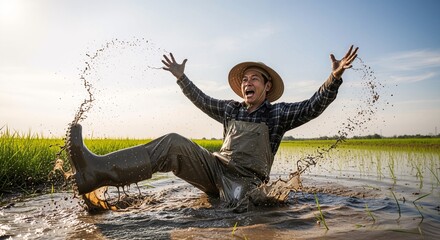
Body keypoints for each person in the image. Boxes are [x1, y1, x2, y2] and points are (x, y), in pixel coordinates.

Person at [66, 45, 358, 208]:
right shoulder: (230, 109)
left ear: (267, 87)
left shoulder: (277, 115)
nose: (247, 82)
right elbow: (202, 100)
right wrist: (182, 78)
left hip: (245, 183)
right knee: (172, 142)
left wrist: (334, 79)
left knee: (236, 207)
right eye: (244, 79)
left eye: (254, 78)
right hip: (215, 169)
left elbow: (313, 106)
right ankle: (96, 172)